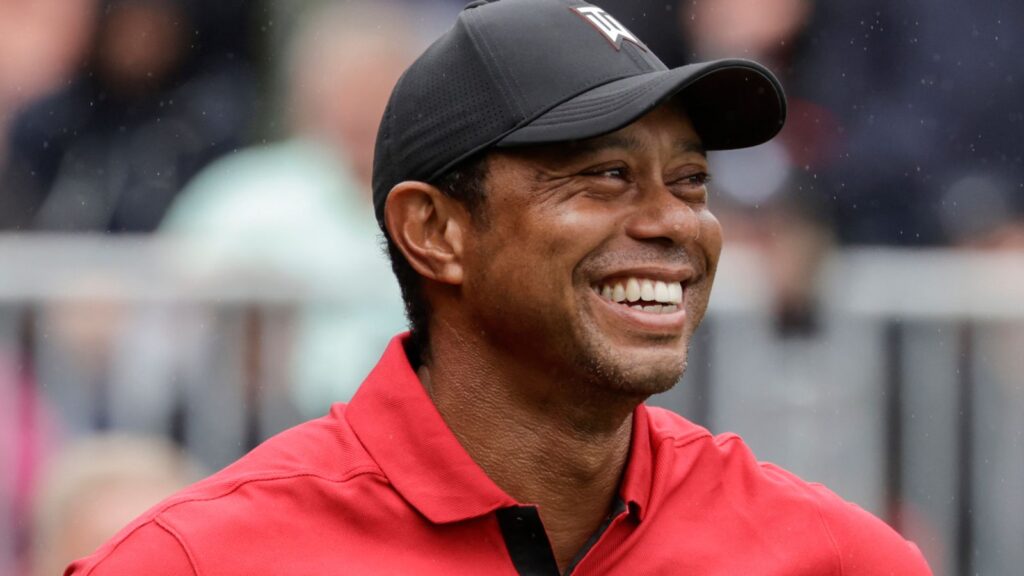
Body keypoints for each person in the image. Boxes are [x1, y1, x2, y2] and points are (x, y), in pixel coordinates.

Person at [67, 0, 933, 574]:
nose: (675, 222)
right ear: (434, 231)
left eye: (692, 181)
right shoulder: (197, 561)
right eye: (603, 176)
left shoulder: (834, 557)